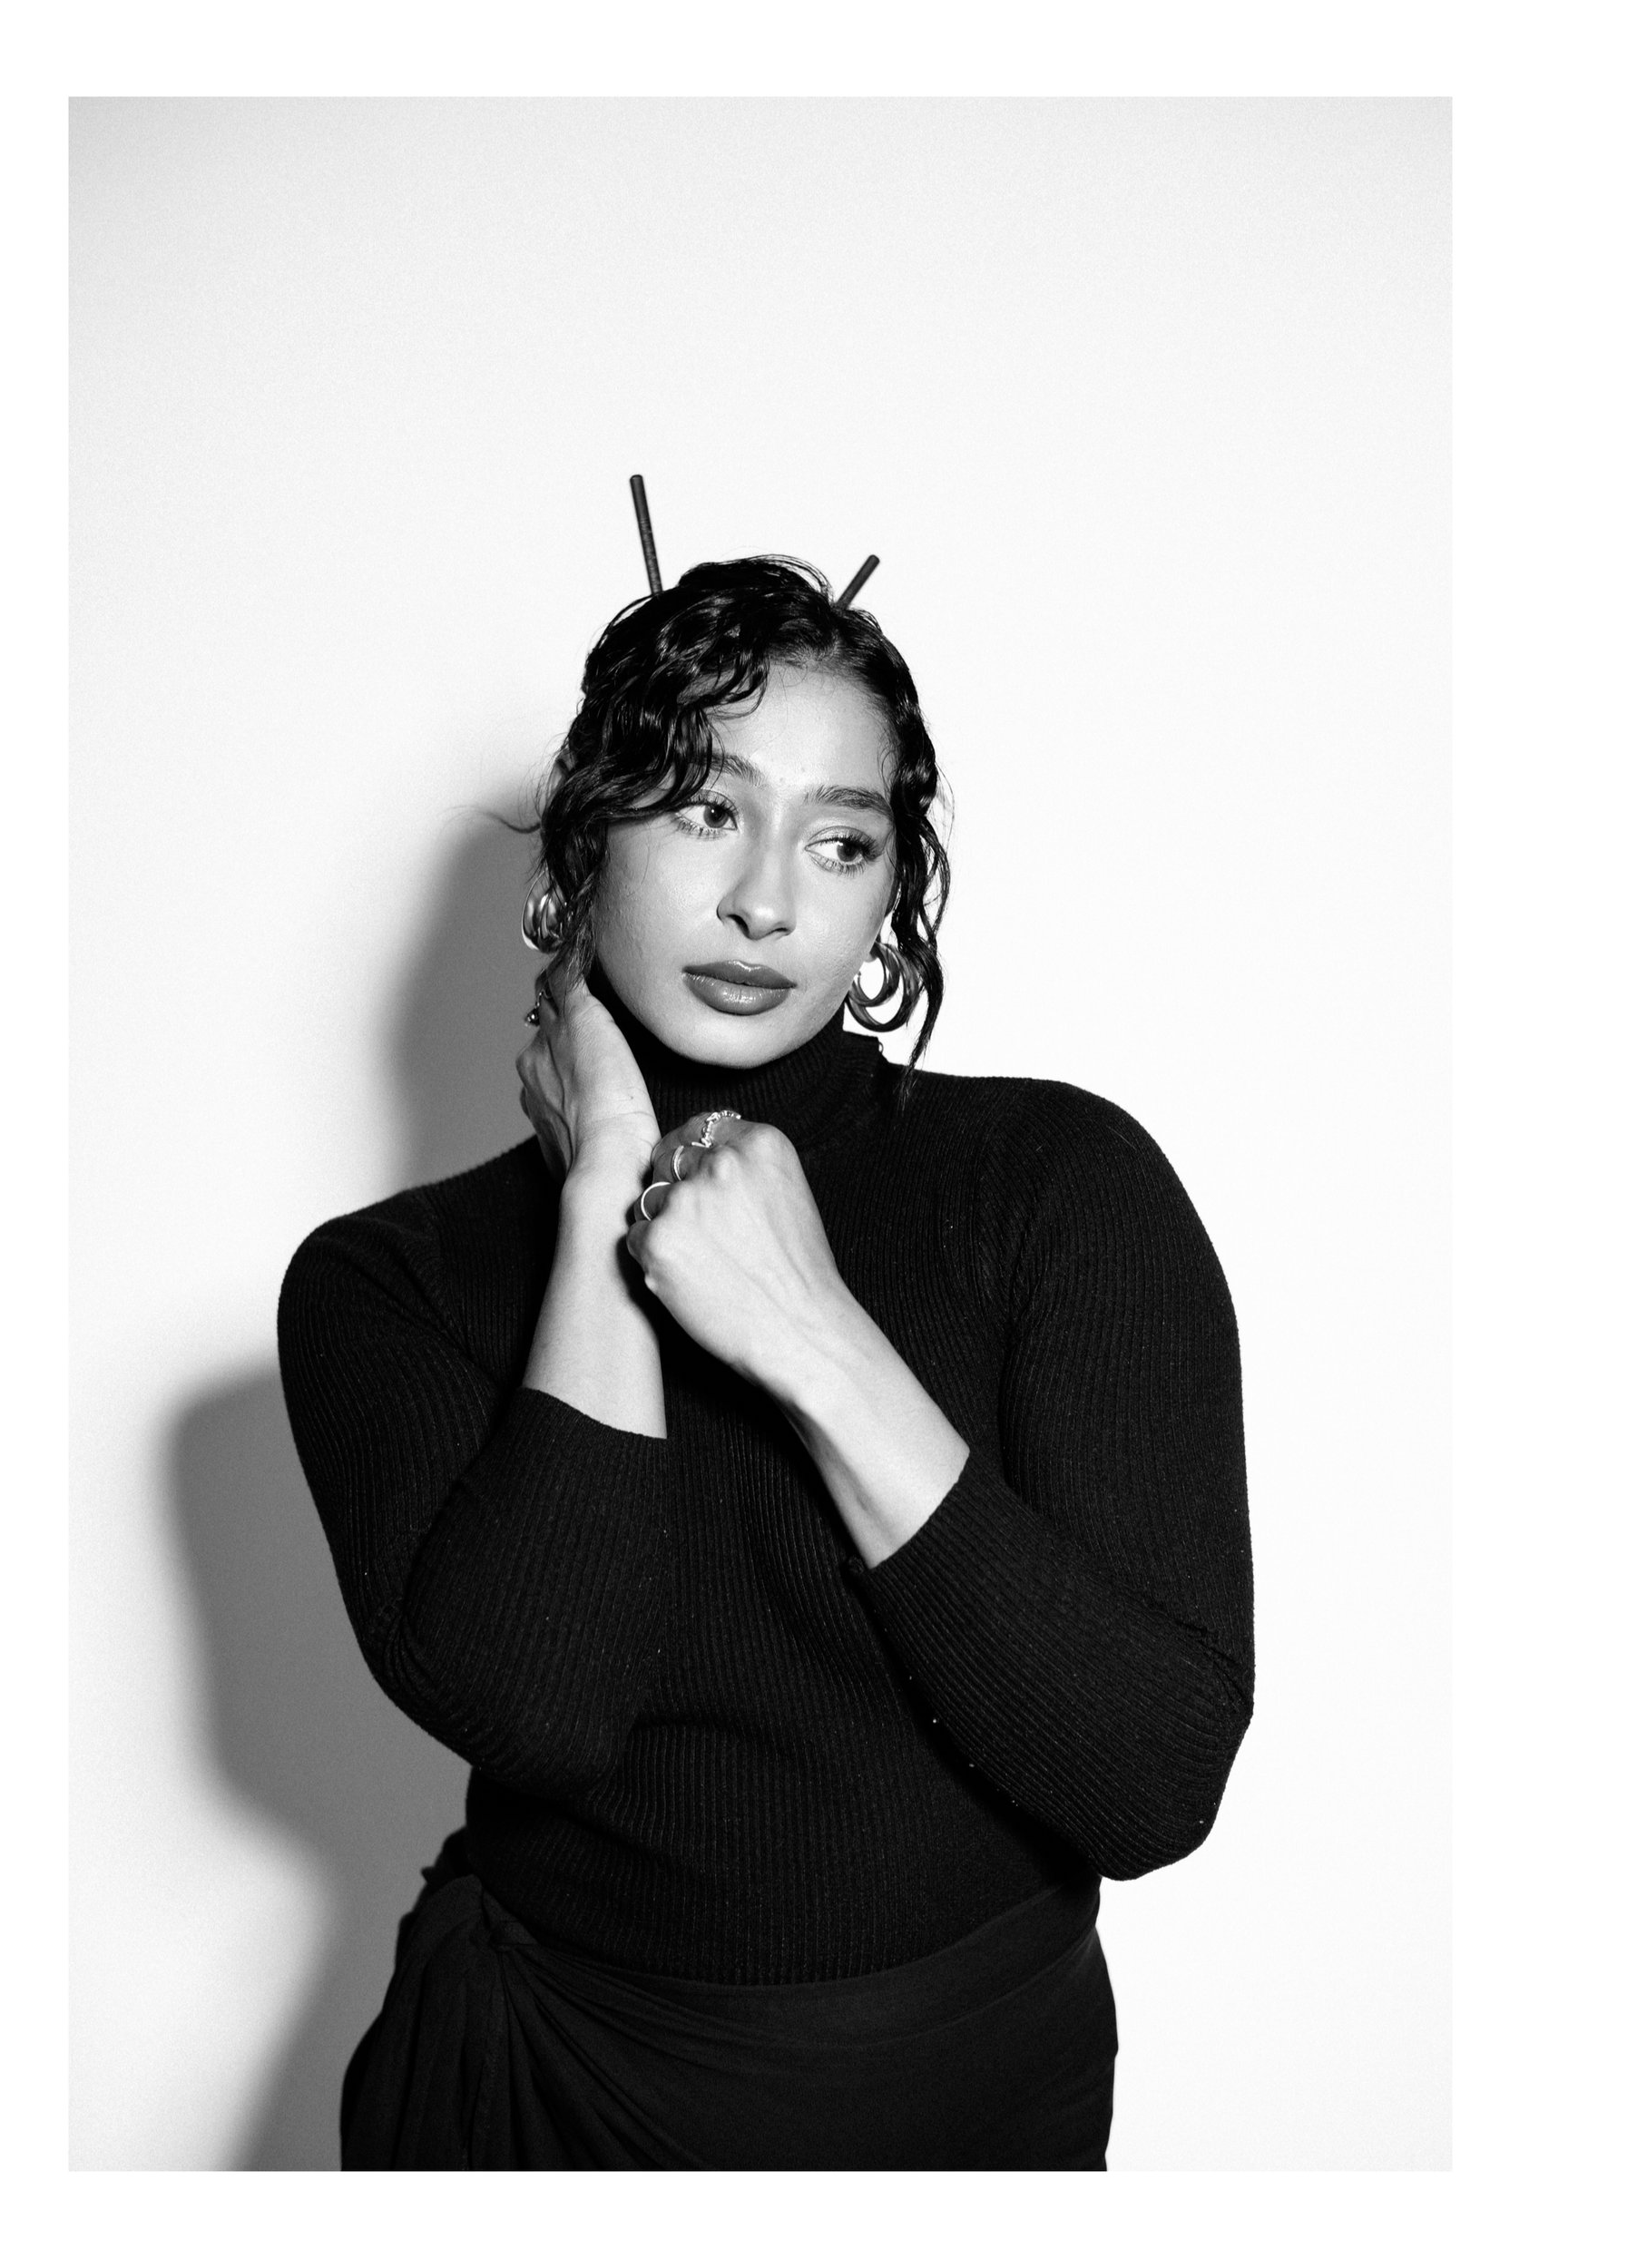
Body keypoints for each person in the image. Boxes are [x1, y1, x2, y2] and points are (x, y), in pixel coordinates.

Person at [276, 550, 1253, 2169]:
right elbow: (543, 1709)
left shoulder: (1058, 1191)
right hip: (553, 2098)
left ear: (889, 895)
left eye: (840, 839)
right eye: (703, 810)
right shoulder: (388, 1286)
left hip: (973, 2108)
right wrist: (607, 1187)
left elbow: (1149, 1785)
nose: (767, 902)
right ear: (581, 846)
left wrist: (806, 1329)